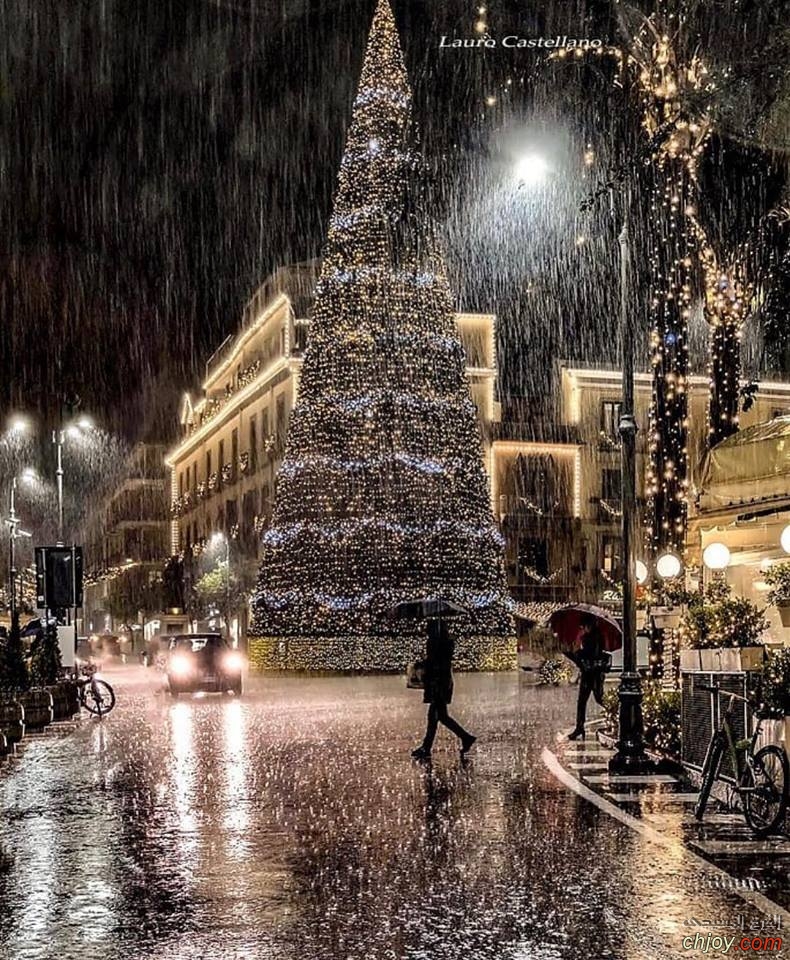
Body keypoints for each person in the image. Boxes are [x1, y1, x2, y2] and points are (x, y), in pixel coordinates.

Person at [411, 618, 476, 760]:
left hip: (438, 683)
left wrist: (423, 663)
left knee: (437, 716)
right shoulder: (446, 642)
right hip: (443, 682)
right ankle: (428, 747)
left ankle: (464, 737)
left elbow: (434, 662)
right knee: (438, 716)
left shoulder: (436, 642)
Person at [566, 613, 607, 740]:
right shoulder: (594, 636)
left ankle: (616, 715)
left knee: (598, 699)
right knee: (585, 701)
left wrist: (575, 653)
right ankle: (579, 727)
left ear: (588, 625)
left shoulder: (593, 637)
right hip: (590, 673)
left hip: (592, 674)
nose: (582, 629)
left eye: (583, 627)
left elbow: (589, 655)